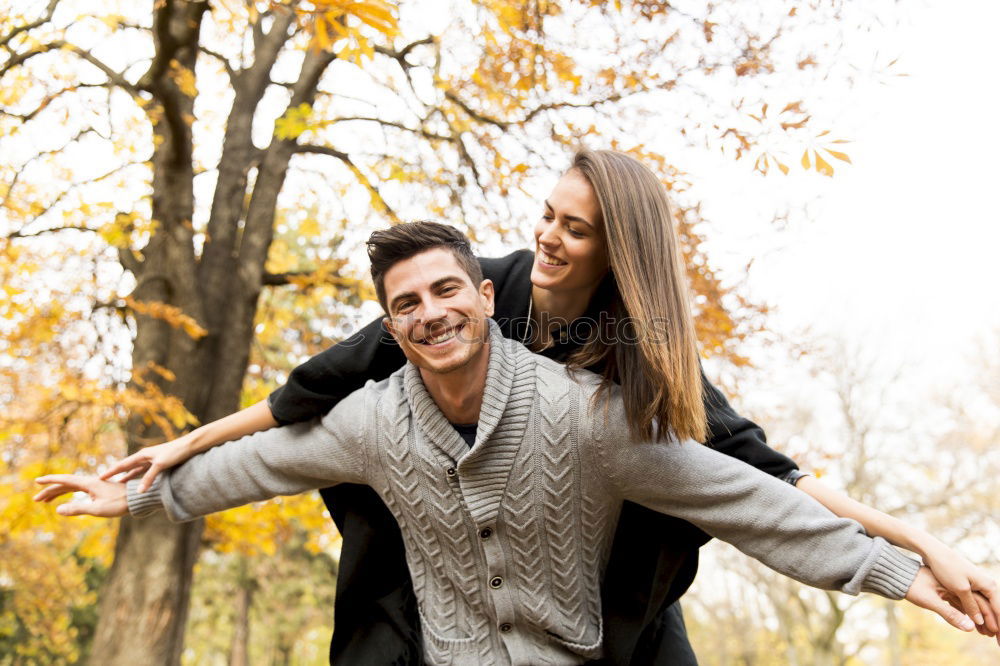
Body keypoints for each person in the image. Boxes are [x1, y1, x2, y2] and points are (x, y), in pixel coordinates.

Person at [96, 151, 999, 663]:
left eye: (575, 227)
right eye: (547, 214)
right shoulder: (466, 300)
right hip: (435, 544)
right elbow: (300, 404)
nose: (547, 235)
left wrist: (922, 551)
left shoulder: (635, 362)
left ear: (621, 250)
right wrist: (173, 454)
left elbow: (760, 484)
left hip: (599, 568)